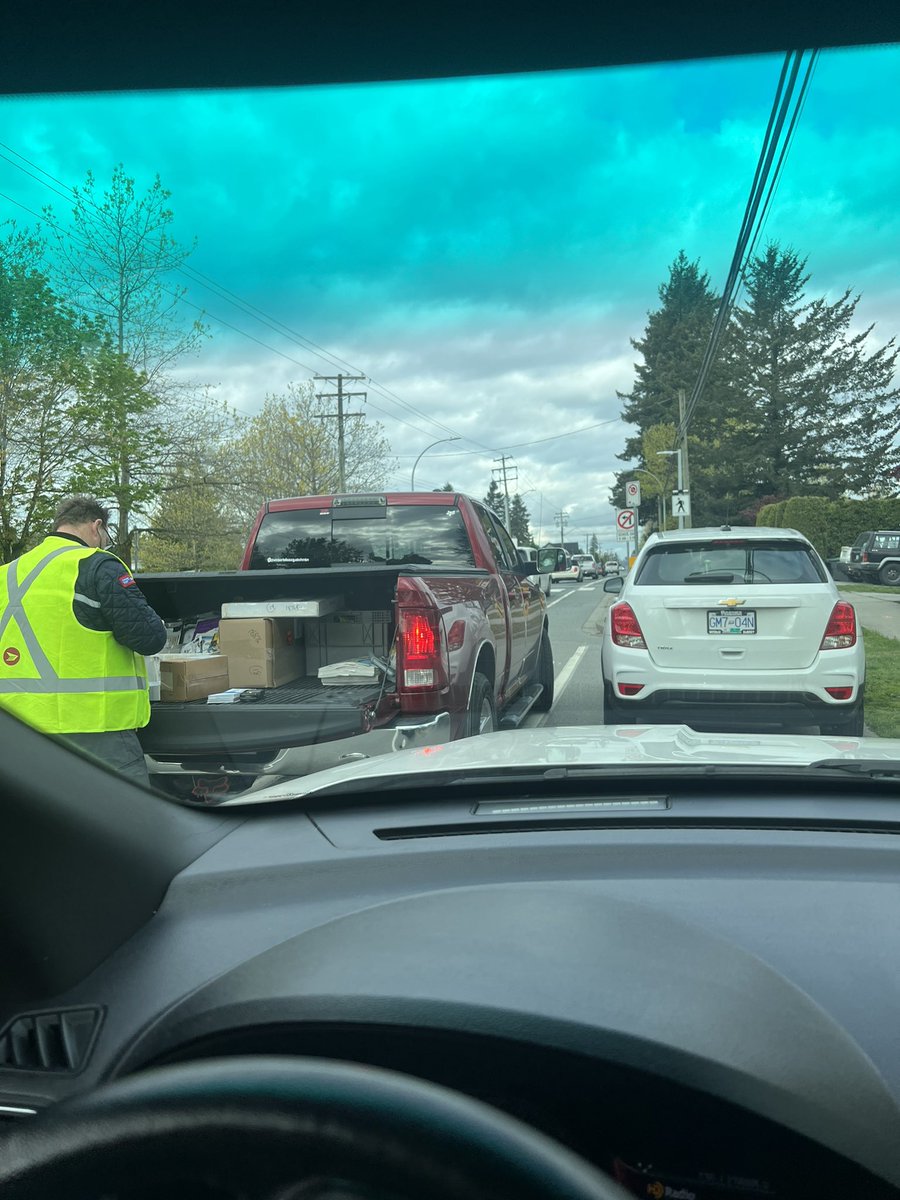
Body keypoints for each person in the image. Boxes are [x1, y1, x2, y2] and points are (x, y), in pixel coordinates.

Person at [0, 496, 167, 785]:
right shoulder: (95, 565)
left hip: (17, 737)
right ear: (96, 526)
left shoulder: (6, 573)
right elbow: (149, 638)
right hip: (95, 734)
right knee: (122, 824)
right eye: (105, 537)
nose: (103, 543)